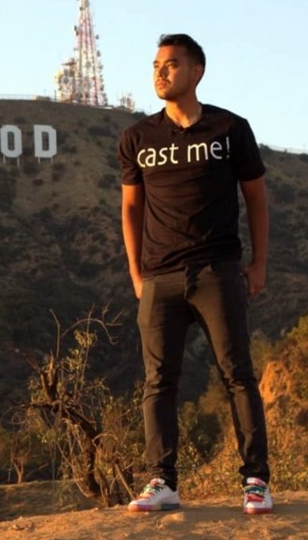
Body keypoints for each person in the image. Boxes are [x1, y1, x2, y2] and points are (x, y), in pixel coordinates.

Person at [117, 33, 273, 514]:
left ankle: (255, 481)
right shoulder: (137, 139)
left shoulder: (230, 130)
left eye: (171, 64)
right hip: (159, 277)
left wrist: (258, 263)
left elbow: (257, 199)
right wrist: (137, 275)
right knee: (158, 382)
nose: (160, 72)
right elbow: (130, 208)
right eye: (156, 65)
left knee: (237, 376)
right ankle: (162, 481)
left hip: (217, 270)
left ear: (197, 71)